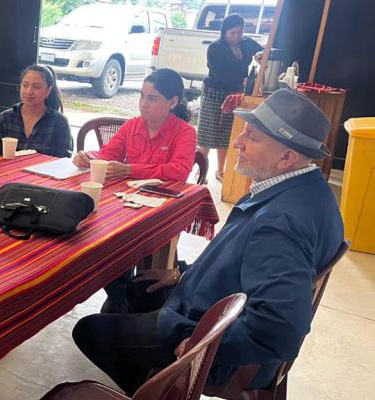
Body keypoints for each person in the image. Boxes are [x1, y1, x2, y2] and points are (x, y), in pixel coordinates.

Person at [71, 89, 344, 396]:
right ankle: (154, 375)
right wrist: (182, 273)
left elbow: (280, 329)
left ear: (287, 157)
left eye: (251, 138)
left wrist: (196, 346)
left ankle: (164, 393)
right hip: (218, 304)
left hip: (214, 336)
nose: (237, 143)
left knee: (90, 331)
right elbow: (238, 259)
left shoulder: (278, 225)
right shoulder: (311, 191)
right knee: (137, 289)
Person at [73, 68, 196, 182]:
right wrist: (88, 157)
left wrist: (130, 170)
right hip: (128, 195)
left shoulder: (185, 132)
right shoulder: (131, 125)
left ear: (173, 102)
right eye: (142, 96)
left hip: (164, 198)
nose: (143, 104)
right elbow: (109, 153)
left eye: (152, 99)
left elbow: (179, 171)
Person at [197, 14, 263, 181]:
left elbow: (264, 50)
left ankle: (220, 171)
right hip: (214, 92)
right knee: (207, 134)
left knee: (226, 133)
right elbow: (219, 74)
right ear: (224, 32)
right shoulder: (215, 47)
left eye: (239, 32)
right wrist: (242, 80)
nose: (236, 37)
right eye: (232, 33)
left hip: (234, 95)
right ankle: (201, 170)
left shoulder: (246, 43)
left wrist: (260, 54)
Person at [0, 65, 72, 158]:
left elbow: (64, 162)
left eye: (36, 87)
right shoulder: (6, 118)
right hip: (9, 172)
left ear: (48, 91)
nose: (29, 91)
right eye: (25, 85)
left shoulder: (59, 122)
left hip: (44, 172)